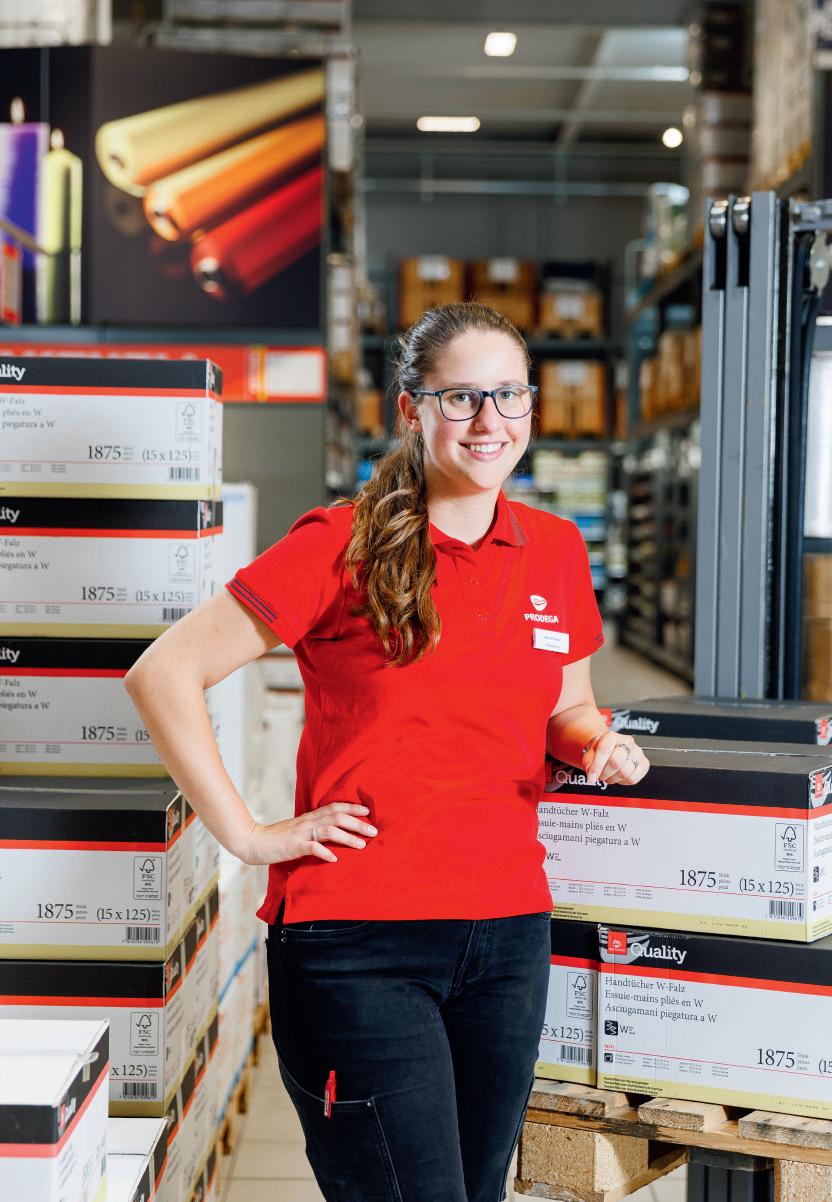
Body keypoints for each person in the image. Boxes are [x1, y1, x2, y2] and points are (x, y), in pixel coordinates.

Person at [125, 301, 649, 1202]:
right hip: (359, 943)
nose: (490, 420)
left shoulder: (557, 550)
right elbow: (163, 672)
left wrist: (599, 742)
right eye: (461, 397)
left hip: (508, 938)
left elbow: (567, 706)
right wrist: (249, 836)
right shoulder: (341, 544)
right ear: (412, 409)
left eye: (510, 394)